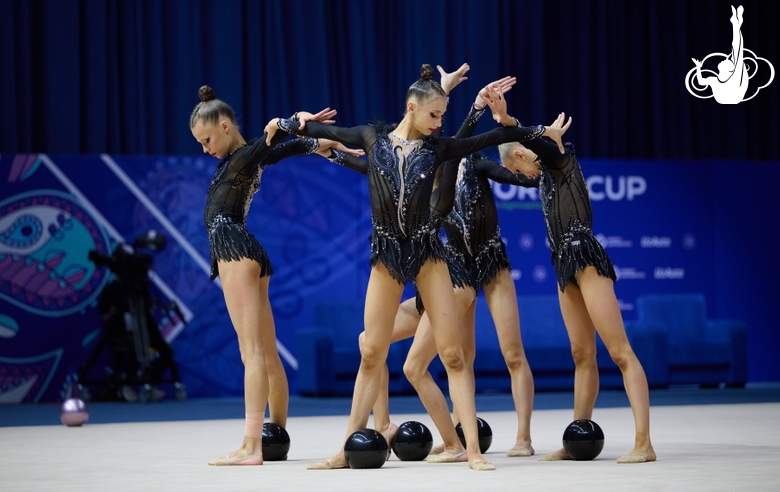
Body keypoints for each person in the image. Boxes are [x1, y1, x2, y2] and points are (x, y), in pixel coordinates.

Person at [265, 65, 570, 471]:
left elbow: (493, 138)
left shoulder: (437, 149)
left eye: (442, 116)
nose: (439, 123)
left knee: (453, 356)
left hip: (428, 256)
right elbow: (322, 133)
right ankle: (344, 450)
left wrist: (533, 130)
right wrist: (285, 121)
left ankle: (472, 451)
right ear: (411, 107)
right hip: (388, 256)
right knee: (371, 352)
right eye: (434, 115)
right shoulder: (372, 139)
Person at [347, 78, 540, 462]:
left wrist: (496, 121)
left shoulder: (460, 166)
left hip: (485, 264)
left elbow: (505, 167)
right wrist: (332, 152)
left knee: (509, 354)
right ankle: (390, 425)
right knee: (379, 343)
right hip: (449, 275)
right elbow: (373, 164)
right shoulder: (423, 187)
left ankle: (519, 437)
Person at [191, 85, 362, 466]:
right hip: (250, 252)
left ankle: (251, 446)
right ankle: (275, 432)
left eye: (206, 140)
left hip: (233, 249)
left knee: (250, 352)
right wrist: (320, 143)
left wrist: (294, 121)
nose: (205, 149)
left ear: (224, 126)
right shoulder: (249, 157)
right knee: (267, 352)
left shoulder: (244, 155)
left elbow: (273, 131)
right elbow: (286, 148)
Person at [486, 86, 656, 464]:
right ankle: (578, 437)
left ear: (519, 155)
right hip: (564, 265)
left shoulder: (558, 159)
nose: (521, 176)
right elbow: (528, 148)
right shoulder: (545, 176)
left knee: (620, 352)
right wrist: (511, 127)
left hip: (586, 259)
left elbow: (537, 145)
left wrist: (508, 121)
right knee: (581, 353)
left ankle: (644, 443)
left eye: (516, 169)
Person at [692, 5, 748, 104]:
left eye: (727, 61)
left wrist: (698, 67)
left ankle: (736, 23)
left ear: (729, 69)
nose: (725, 59)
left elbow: (701, 81)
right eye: (728, 60)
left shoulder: (723, 79)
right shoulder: (716, 79)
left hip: (733, 95)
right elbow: (701, 82)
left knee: (737, 51)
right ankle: (736, 24)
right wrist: (698, 67)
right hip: (731, 96)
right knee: (737, 52)